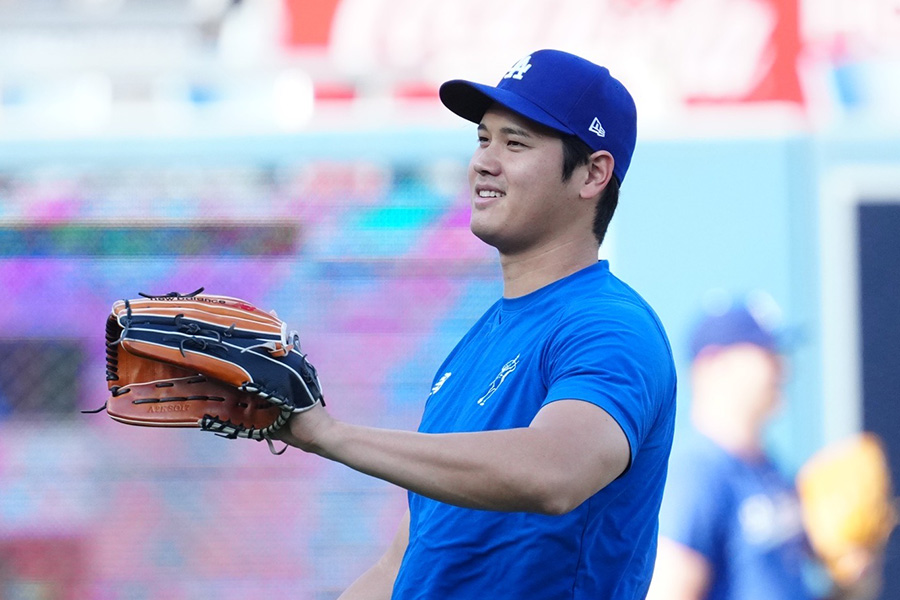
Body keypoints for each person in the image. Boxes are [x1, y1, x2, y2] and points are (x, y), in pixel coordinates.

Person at [276, 49, 677, 599]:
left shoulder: (610, 327)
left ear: (593, 173)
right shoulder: (479, 340)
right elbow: (404, 567)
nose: (485, 162)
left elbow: (554, 472)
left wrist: (327, 434)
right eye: (483, 139)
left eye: (516, 143)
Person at [647, 295, 891, 600]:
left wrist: (853, 579)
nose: (784, 367)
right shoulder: (696, 472)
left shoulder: (769, 471)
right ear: (716, 364)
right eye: (768, 353)